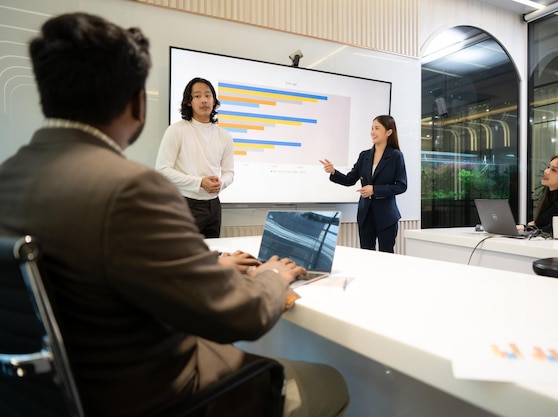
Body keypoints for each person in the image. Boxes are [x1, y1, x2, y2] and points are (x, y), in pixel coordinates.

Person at [0, 12, 348, 417]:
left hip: (44, 397)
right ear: (137, 103)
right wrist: (274, 275)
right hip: (153, 396)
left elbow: (112, 265)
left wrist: (210, 262)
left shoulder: (8, 179)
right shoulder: (130, 189)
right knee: (330, 382)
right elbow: (242, 316)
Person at [156, 77, 234, 238]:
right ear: (189, 102)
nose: (204, 100)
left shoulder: (224, 136)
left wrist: (221, 183)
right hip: (186, 203)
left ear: (214, 101)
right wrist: (199, 183)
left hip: (214, 205)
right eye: (197, 96)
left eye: (208, 95)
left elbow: (229, 172)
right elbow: (162, 170)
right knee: (183, 255)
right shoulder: (177, 130)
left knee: (212, 256)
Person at [320, 115, 407, 253]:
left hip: (387, 216)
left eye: (377, 128)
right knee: (366, 254)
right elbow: (350, 180)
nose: (372, 132)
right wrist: (333, 172)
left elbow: (401, 186)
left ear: (388, 132)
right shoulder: (364, 156)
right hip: (365, 215)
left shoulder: (396, 155)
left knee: (387, 255)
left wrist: (375, 190)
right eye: (372, 128)